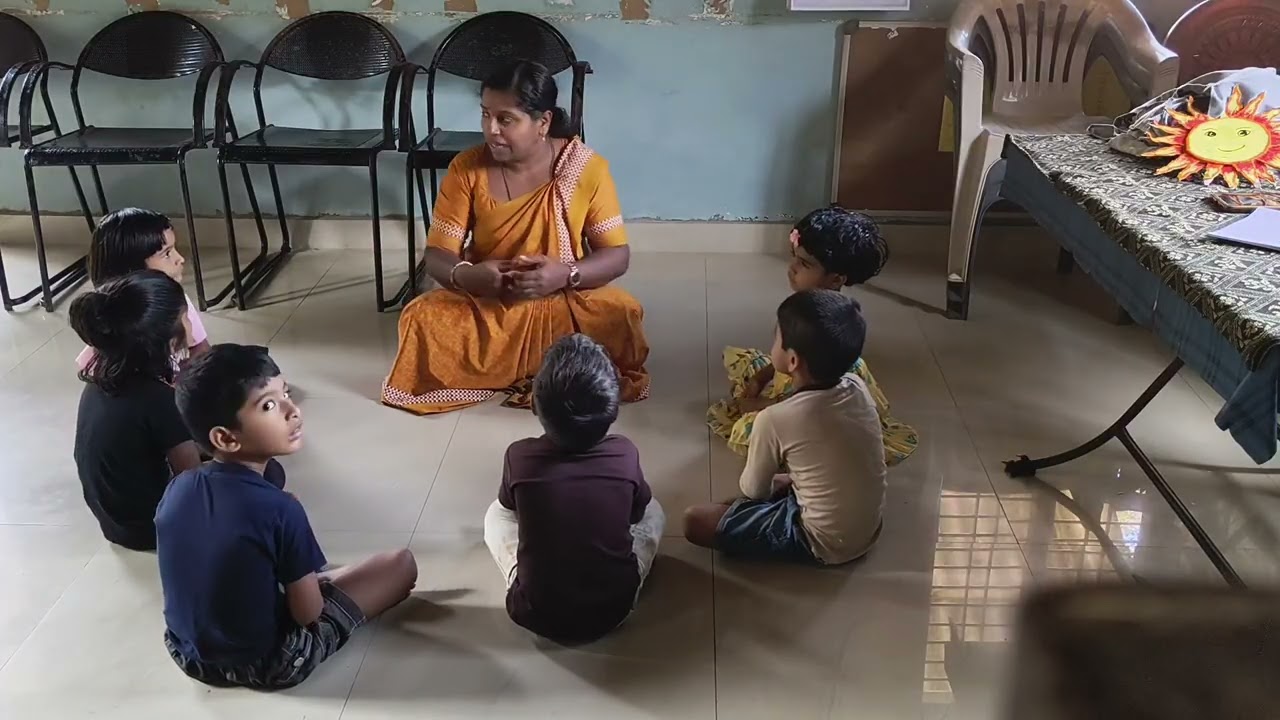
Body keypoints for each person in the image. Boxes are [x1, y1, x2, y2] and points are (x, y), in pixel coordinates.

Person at [383, 60, 649, 414]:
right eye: (485, 115)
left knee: (622, 313)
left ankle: (515, 367)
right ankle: (550, 367)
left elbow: (616, 255)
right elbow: (437, 254)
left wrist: (565, 274)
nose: (491, 130)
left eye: (505, 119)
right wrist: (468, 275)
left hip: (564, 300)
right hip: (490, 302)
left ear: (543, 123)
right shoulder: (467, 168)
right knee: (420, 317)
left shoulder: (584, 168)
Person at [158, 344, 417, 689]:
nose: (292, 411)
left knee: (285, 567)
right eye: (268, 405)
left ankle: (310, 577)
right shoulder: (281, 509)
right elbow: (307, 615)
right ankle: (315, 577)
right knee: (400, 565)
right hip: (272, 662)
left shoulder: (178, 487)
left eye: (286, 394)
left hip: (188, 655)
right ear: (224, 437)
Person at [483, 334, 664, 644]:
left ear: (535, 407)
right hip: (614, 609)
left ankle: (522, 572)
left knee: (495, 516)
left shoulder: (519, 456)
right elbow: (637, 515)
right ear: (612, 411)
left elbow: (509, 508)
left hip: (534, 612)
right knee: (654, 511)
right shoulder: (625, 454)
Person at [684, 290, 887, 565]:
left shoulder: (774, 418)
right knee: (785, 480)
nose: (771, 345)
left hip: (821, 543)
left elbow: (754, 491)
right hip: (869, 529)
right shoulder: (857, 386)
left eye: (775, 338)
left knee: (695, 520)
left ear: (792, 361)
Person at [706, 206, 917, 466]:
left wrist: (764, 405)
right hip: (798, 382)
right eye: (794, 257)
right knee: (747, 366)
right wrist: (763, 376)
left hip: (817, 404)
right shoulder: (804, 306)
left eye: (804, 264)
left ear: (835, 278)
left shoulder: (823, 327)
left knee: (752, 428)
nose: (792, 268)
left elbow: (813, 395)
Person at [71, 270, 201, 551]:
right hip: (150, 529)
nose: (191, 322)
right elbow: (192, 481)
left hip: (114, 523)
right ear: (169, 340)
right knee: (266, 473)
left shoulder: (102, 376)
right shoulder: (160, 398)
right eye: (185, 317)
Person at [75, 208, 210, 373]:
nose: (180, 259)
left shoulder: (175, 302)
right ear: (133, 269)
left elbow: (200, 350)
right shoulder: (111, 324)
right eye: (167, 254)